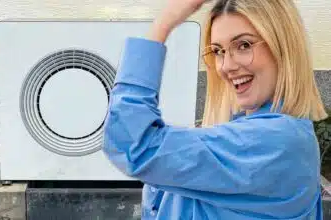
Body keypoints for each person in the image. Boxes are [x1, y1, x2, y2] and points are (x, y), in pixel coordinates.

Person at [102, 0, 329, 219]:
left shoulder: (277, 142)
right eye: (219, 51)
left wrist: (163, 23)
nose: (227, 65)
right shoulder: (239, 136)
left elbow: (133, 145)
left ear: (283, 47)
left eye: (244, 45)